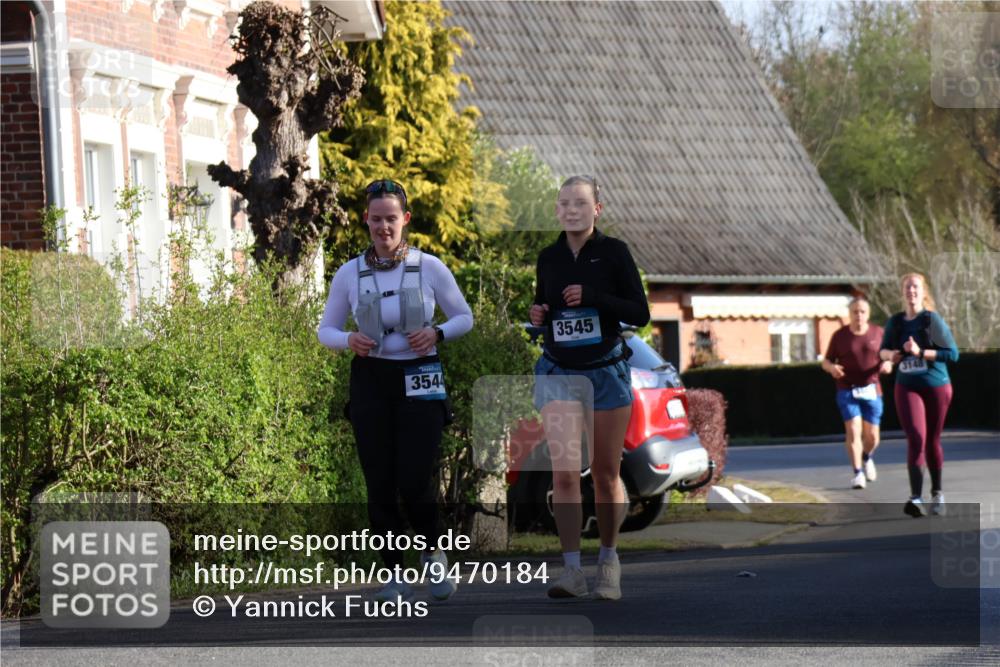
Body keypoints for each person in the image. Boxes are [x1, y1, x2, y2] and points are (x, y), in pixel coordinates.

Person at [317, 179, 473, 601]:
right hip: (372, 380)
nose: (383, 227)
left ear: (405, 220)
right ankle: (394, 573)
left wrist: (437, 333)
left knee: (415, 475)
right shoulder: (350, 272)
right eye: (376, 219)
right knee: (379, 481)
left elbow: (464, 317)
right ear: (365, 220)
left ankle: (433, 553)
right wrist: (348, 340)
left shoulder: (429, 266)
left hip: (420, 375)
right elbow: (325, 329)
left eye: (391, 218)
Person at [529, 175, 650, 600]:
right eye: (564, 203)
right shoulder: (548, 257)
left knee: (604, 473)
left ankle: (608, 562)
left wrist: (595, 296)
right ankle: (572, 571)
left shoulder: (614, 252)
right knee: (563, 474)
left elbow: (640, 312)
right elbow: (546, 307)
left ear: (597, 208)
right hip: (559, 371)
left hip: (604, 371)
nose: (571, 210)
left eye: (580, 203)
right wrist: (539, 313)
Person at [879, 273, 959, 518]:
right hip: (907, 386)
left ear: (923, 292)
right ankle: (915, 497)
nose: (911, 291)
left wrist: (921, 352)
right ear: (902, 292)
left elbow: (952, 354)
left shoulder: (931, 320)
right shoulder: (896, 322)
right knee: (916, 437)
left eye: (915, 287)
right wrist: (890, 356)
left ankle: (937, 493)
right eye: (907, 287)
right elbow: (881, 351)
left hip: (936, 386)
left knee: (932, 440)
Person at [821, 296, 893, 490]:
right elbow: (826, 361)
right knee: (853, 429)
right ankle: (857, 473)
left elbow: (890, 355)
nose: (858, 315)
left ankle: (866, 457)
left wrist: (888, 363)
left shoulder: (879, 333)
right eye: (855, 312)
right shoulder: (840, 336)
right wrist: (832, 368)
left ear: (868, 314)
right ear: (849, 314)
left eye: (862, 312)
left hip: (872, 389)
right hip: (847, 388)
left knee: (873, 437)